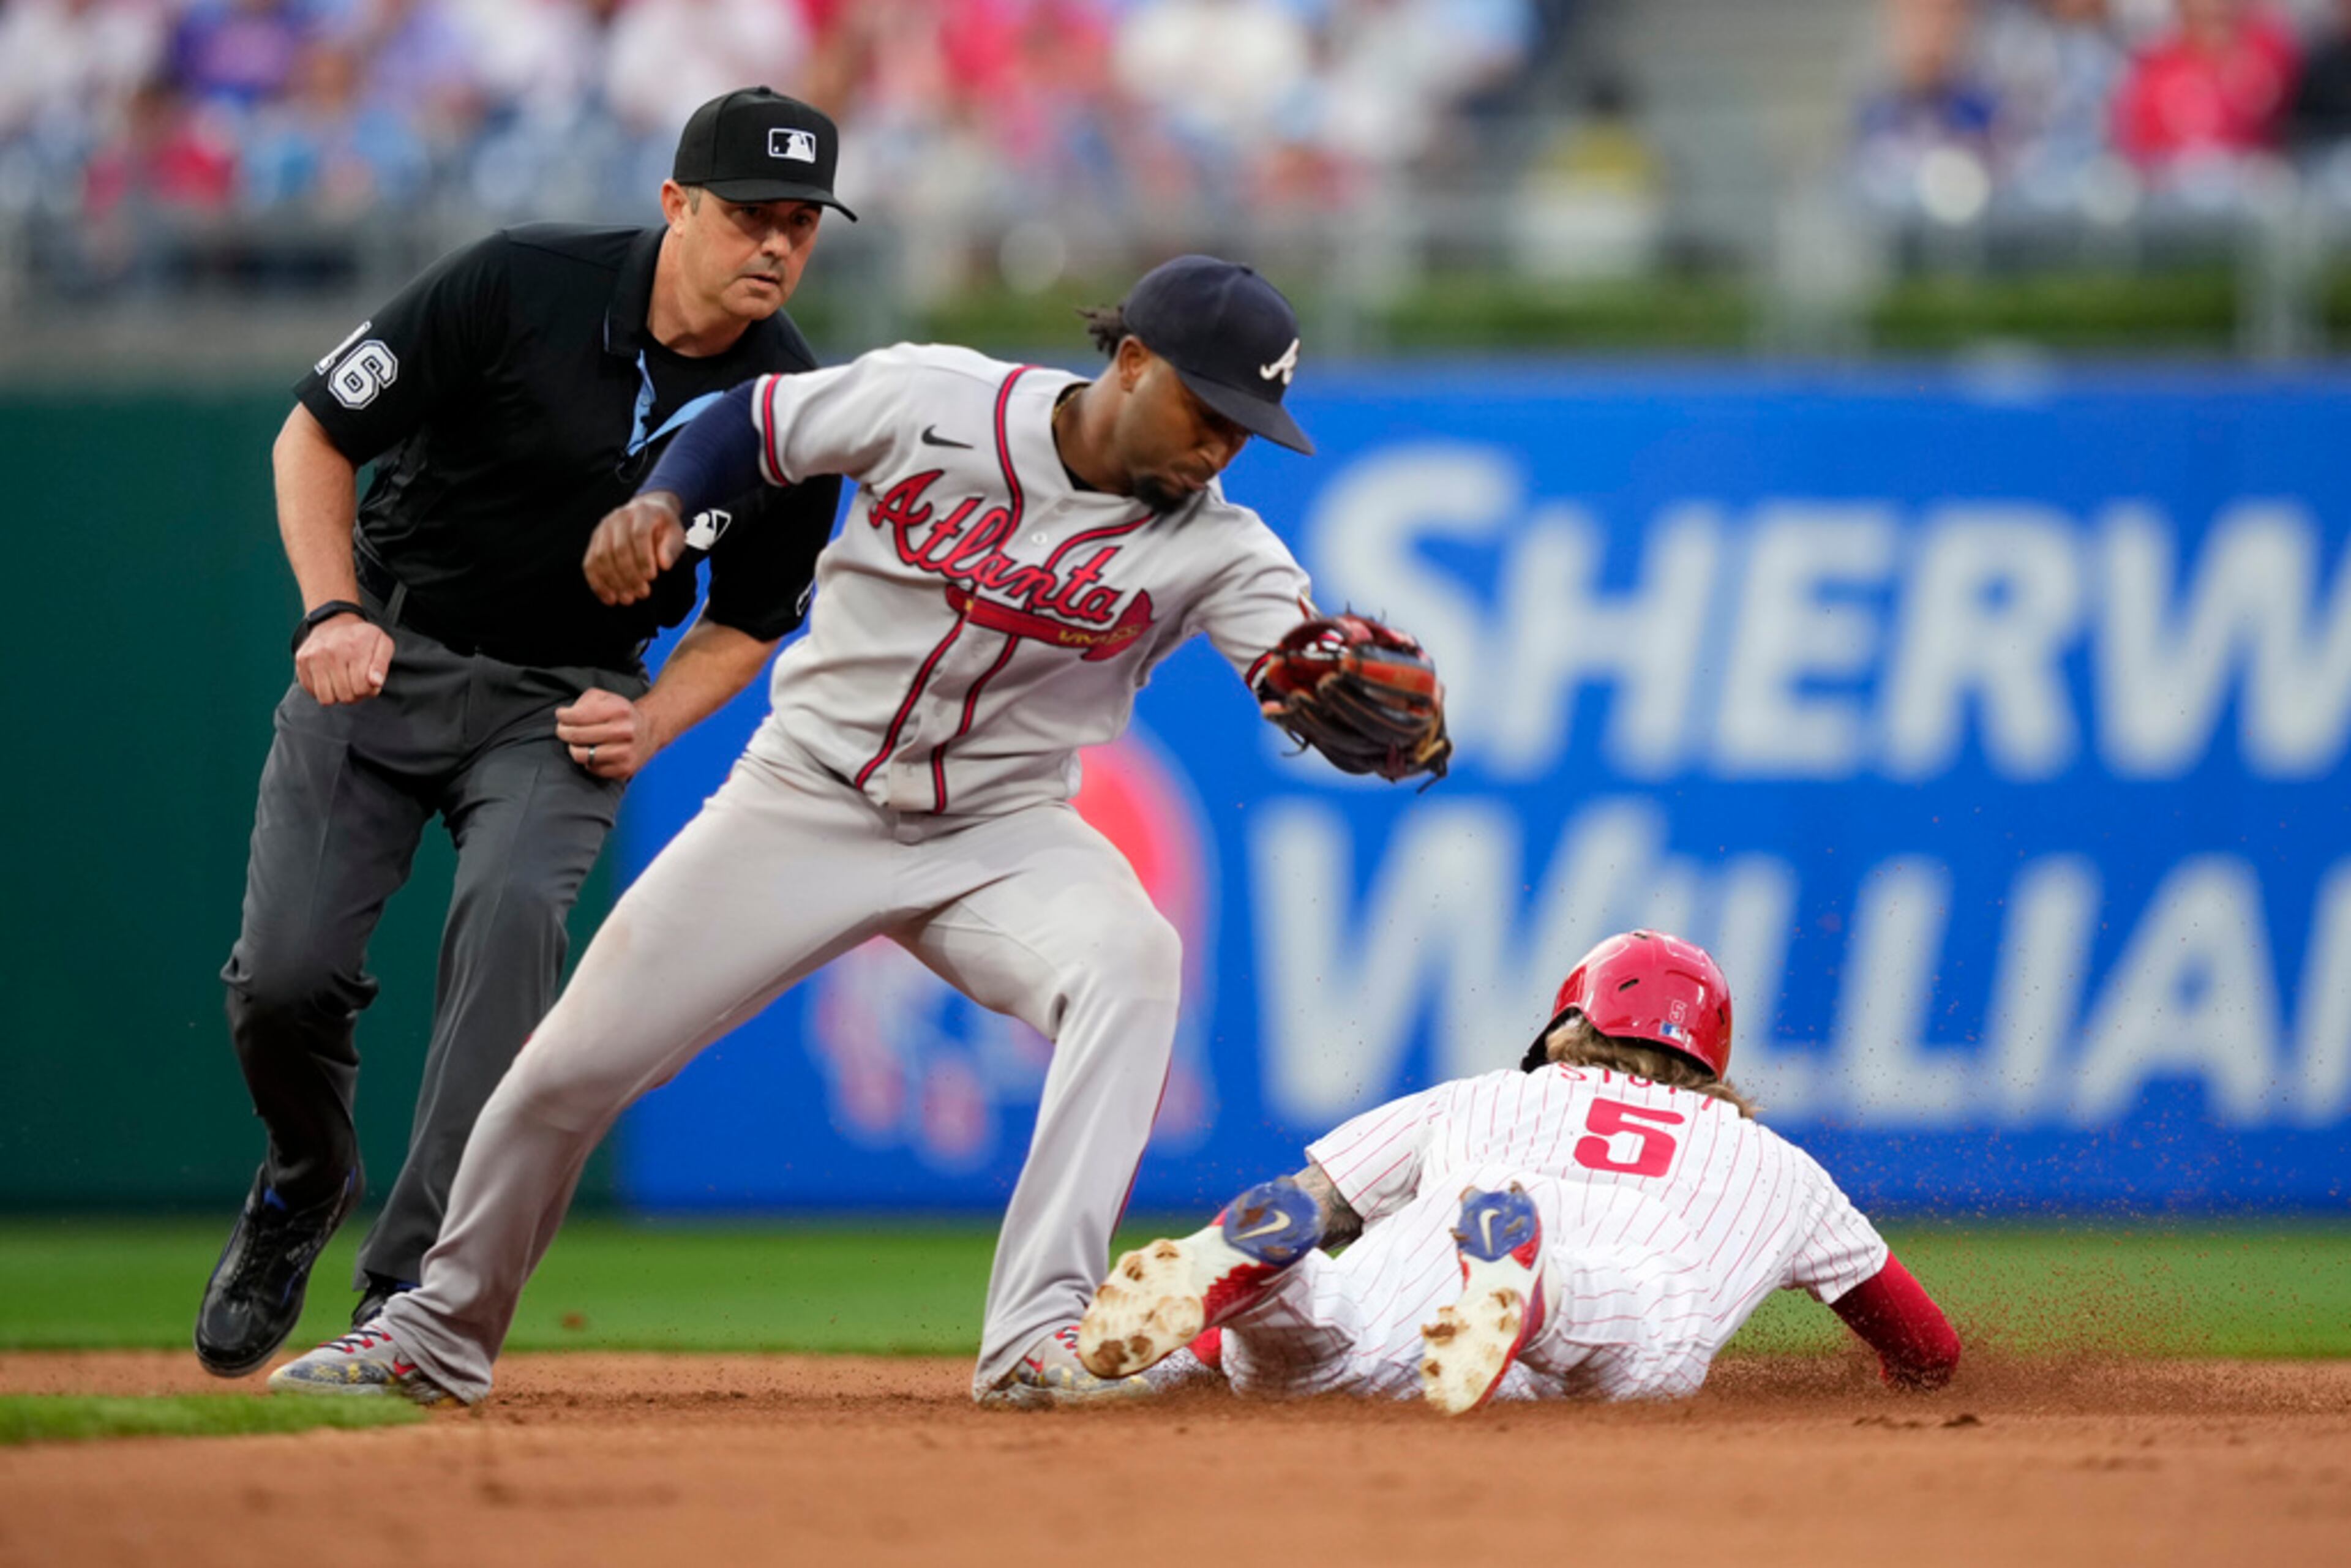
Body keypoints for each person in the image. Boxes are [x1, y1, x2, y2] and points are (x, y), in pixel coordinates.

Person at [266, 253, 1451, 1409]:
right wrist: (669, 497)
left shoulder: (1224, 548)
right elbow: (753, 420)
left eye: (1247, 429)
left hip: (1006, 833)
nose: (1221, 446)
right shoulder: (938, 399)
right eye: (1210, 408)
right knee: (566, 1071)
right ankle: (432, 1335)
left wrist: (1379, 718)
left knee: (1133, 964)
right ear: (1132, 362)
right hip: (804, 801)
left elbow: (1292, 658)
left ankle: (1040, 1334)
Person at [195, 87, 852, 1378]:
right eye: (746, 216)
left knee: (511, 936)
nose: (774, 246)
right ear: (676, 206)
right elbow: (315, 433)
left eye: (800, 223)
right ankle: (305, 1177)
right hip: (385, 654)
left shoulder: (788, 407)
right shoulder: (520, 283)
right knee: (283, 980)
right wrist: (329, 607)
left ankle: (409, 1293)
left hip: (564, 703)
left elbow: (758, 613)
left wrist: (656, 716)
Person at [1078, 930, 1963, 1413]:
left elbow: (1315, 1206)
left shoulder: (1486, 1094)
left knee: (1324, 1335)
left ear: (1569, 1023)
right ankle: (1537, 1293)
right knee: (1636, 1332)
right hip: (1595, 1297)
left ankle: (1274, 1300)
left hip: (1417, 1291)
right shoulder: (1782, 1169)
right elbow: (1928, 1349)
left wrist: (1182, 1360)